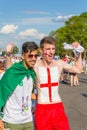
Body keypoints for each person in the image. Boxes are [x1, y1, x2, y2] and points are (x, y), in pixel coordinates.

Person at [33, 36, 82, 130]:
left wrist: (79, 52)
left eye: (53, 49)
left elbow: (78, 70)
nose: (51, 52)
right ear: (41, 50)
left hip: (58, 108)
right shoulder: (35, 65)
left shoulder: (59, 63)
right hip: (42, 109)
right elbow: (13, 68)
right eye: (48, 49)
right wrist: (7, 54)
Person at [0, 41, 38, 130]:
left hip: (28, 120)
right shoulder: (12, 73)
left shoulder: (32, 73)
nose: (34, 59)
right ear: (23, 56)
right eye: (30, 55)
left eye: (36, 56)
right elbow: (0, 93)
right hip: (11, 122)